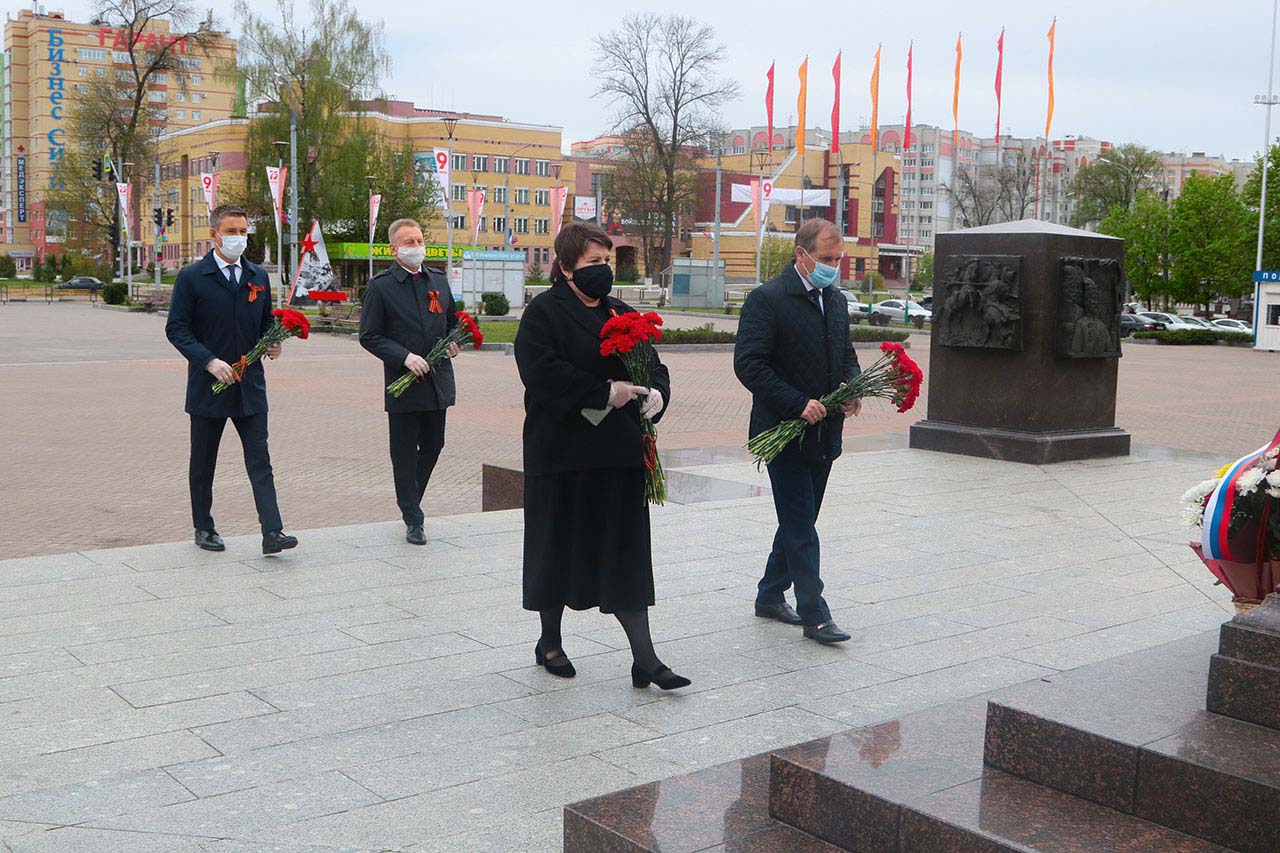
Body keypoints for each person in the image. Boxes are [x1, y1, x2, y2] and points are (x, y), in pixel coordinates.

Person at [514, 222, 689, 690]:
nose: (603, 270)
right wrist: (601, 391)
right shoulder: (544, 314)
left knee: (626, 555)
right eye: (593, 262)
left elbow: (654, 365)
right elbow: (540, 373)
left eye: (606, 261)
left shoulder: (621, 311)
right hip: (563, 454)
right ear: (566, 266)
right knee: (557, 549)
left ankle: (645, 660)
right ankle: (549, 641)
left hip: (618, 455)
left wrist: (657, 395)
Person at [734, 218, 861, 644]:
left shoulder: (836, 300)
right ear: (800, 254)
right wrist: (795, 402)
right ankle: (815, 613)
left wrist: (851, 385)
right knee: (801, 526)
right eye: (826, 259)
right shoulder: (767, 299)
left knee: (799, 519)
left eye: (838, 258)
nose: (833, 266)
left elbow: (846, 354)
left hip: (826, 434)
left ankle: (770, 594)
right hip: (784, 433)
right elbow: (749, 364)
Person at [165, 204, 298, 556]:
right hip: (209, 386)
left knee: (260, 460)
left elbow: (265, 320)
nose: (239, 237)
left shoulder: (257, 276)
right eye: (231, 231)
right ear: (214, 234)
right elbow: (177, 329)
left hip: (250, 387)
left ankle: (273, 531)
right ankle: (204, 527)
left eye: (243, 231)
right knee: (203, 461)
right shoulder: (193, 277)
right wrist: (208, 362)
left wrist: (273, 342)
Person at [359, 218, 461, 545]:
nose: (416, 247)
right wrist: (404, 357)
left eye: (418, 240)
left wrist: (455, 341)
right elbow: (369, 336)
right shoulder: (381, 286)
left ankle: (410, 499)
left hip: (436, 381)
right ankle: (413, 517)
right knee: (403, 453)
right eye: (408, 242)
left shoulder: (439, 281)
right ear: (394, 248)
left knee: (434, 445)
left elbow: (453, 322)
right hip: (403, 383)